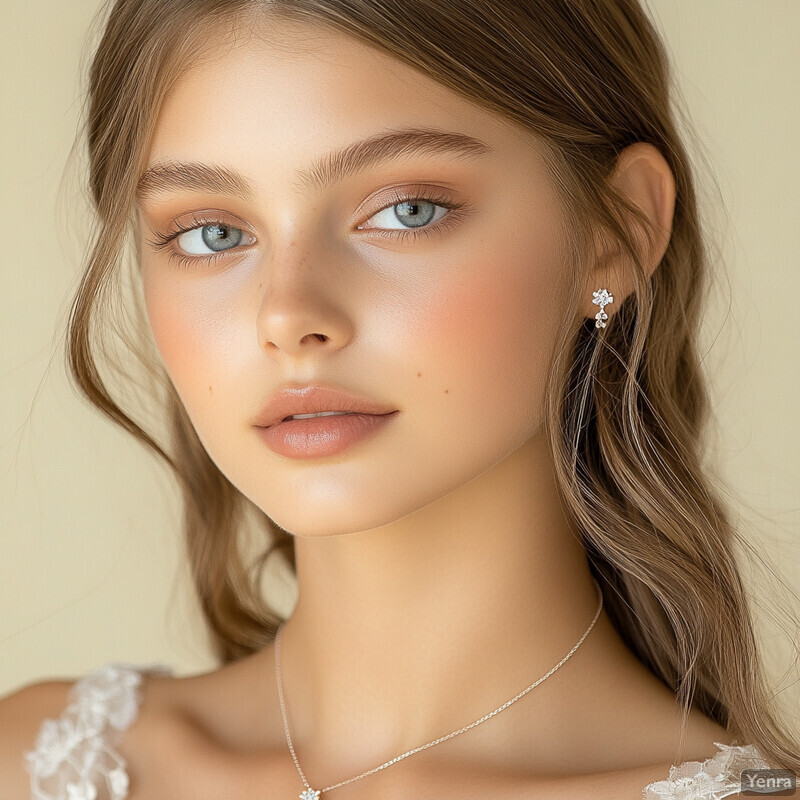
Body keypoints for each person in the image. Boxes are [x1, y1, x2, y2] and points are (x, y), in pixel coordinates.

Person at [1, 1, 798, 798]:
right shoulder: (29, 764)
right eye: (212, 233)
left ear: (617, 230)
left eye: (404, 211)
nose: (287, 316)